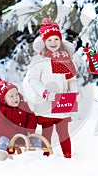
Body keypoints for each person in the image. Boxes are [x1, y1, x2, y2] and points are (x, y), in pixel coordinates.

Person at [23, 18, 78, 158]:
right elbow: (33, 79)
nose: (53, 43)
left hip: (62, 102)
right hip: (46, 102)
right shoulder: (40, 60)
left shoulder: (66, 59)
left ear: (60, 41)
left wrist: (73, 91)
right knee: (47, 131)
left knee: (63, 131)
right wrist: (45, 93)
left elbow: (71, 78)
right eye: (49, 40)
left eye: (56, 39)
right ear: (44, 43)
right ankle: (45, 154)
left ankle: (67, 155)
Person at [0, 79, 40, 161]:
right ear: (3, 99)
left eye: (16, 94)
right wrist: (13, 134)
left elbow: (31, 117)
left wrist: (29, 131)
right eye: (11, 96)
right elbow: (0, 125)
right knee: (3, 140)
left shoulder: (24, 105)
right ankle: (1, 154)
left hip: (25, 135)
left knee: (36, 139)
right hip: (8, 135)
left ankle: (38, 154)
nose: (15, 98)